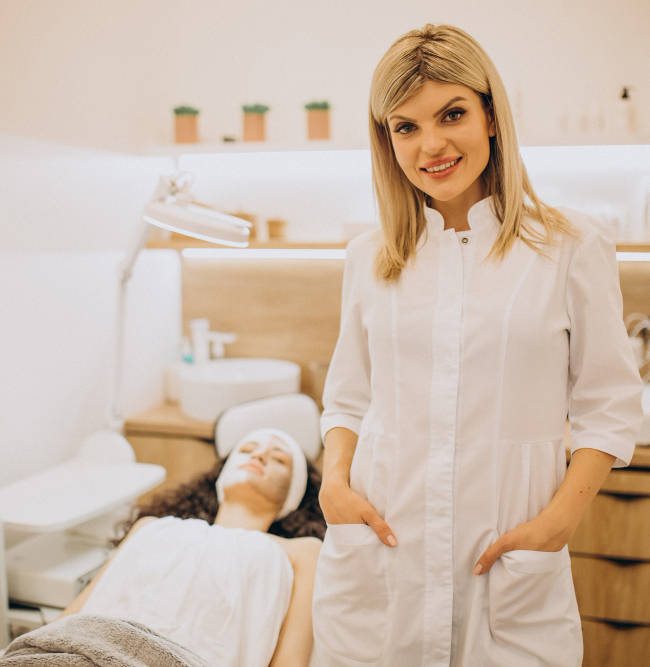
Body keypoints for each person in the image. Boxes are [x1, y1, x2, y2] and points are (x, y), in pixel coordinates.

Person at [311, 22, 645, 667]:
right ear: (387, 140)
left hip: (510, 563)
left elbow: (609, 406)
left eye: (452, 114)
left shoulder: (571, 247)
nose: (431, 144)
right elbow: (348, 399)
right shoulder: (369, 257)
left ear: (491, 116)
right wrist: (335, 485)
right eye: (406, 126)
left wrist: (559, 522)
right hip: (381, 557)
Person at [2, 428, 324, 667]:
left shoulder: (300, 553)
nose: (258, 455)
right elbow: (71, 617)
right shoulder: (153, 526)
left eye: (279, 459)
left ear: (294, 493)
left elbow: (290, 662)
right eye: (247, 449)